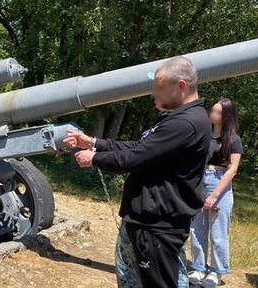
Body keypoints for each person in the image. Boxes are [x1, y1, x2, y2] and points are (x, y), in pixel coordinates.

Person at [63, 56, 211, 288]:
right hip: (145, 221)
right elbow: (139, 148)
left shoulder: (185, 123)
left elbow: (133, 158)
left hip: (158, 226)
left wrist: (94, 159)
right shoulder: (178, 119)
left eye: (159, 88)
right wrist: (93, 142)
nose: (154, 94)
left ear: (181, 86)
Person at [188, 98, 243, 287]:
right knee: (196, 228)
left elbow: (232, 169)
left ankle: (217, 272)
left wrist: (214, 195)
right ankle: (198, 267)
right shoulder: (203, 134)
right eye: (212, 110)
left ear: (227, 116)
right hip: (199, 180)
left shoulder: (233, 139)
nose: (213, 114)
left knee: (218, 233)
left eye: (218, 112)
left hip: (219, 183)